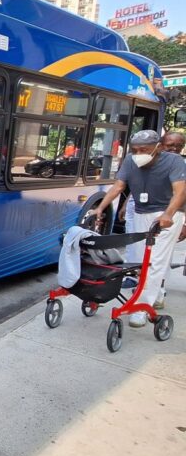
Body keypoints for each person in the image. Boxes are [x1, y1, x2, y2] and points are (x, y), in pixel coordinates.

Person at [89, 130, 186, 327]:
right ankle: (156, 293)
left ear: (158, 147)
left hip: (167, 214)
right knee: (142, 260)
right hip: (142, 212)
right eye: (135, 150)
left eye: (144, 150)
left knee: (155, 261)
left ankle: (142, 307)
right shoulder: (130, 160)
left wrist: (168, 214)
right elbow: (118, 187)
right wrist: (100, 208)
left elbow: (181, 191)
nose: (139, 153)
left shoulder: (174, 161)